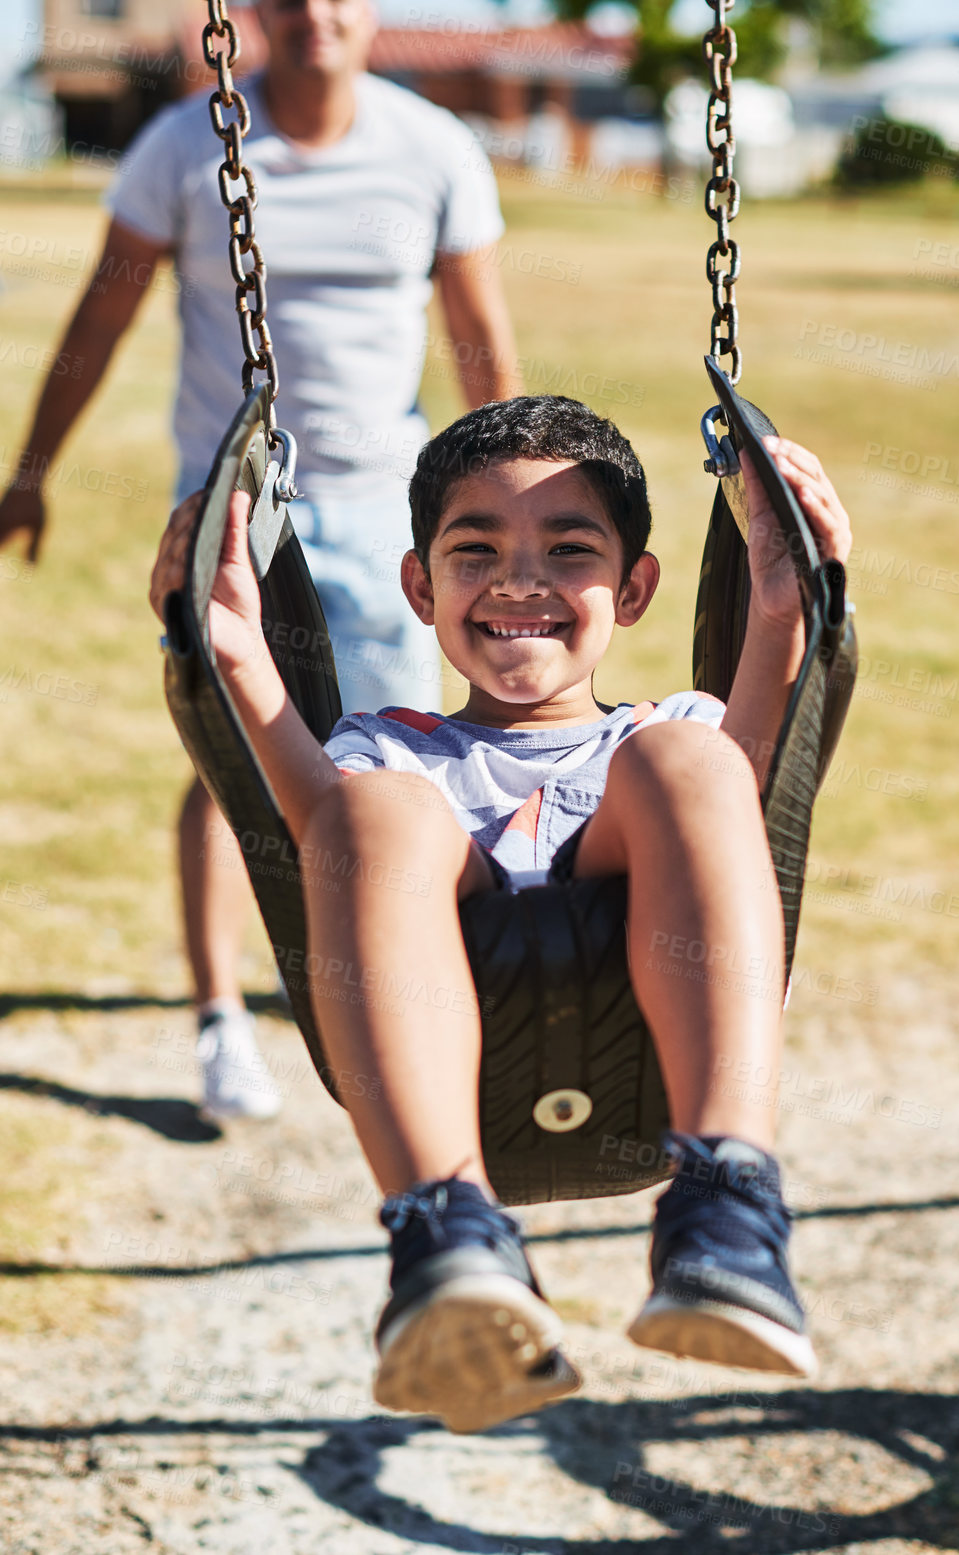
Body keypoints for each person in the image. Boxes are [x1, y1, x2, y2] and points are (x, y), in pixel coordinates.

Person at [148, 392, 852, 1434]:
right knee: (366, 809)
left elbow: (750, 816)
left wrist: (788, 602)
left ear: (637, 586)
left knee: (694, 764)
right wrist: (238, 653)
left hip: (652, 1056)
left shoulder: (672, 735)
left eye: (570, 550)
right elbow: (313, 840)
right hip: (445, 1067)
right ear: (419, 590)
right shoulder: (391, 752)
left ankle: (728, 1204)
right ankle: (447, 1236)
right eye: (476, 550)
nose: (521, 579)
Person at [0, 0, 522, 1120]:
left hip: (390, 508)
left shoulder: (431, 149)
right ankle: (219, 1019)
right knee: (232, 767)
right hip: (238, 508)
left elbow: (482, 342)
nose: (316, 15)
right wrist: (35, 465)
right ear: (250, 17)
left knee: (406, 774)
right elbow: (104, 314)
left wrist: (513, 501)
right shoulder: (192, 146)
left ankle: (405, 987)